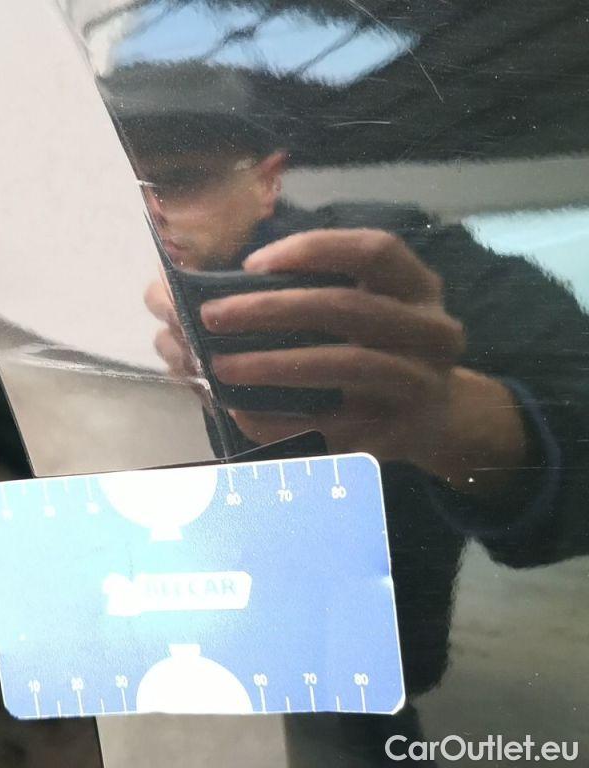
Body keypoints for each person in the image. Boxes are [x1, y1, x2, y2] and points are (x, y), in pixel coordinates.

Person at [102, 61, 589, 766]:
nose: (148, 211)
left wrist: (448, 413)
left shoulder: (378, 267)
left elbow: (577, 401)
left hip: (340, 683)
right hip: (133, 664)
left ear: (266, 181)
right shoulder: (49, 294)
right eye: (117, 186)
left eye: (179, 180)